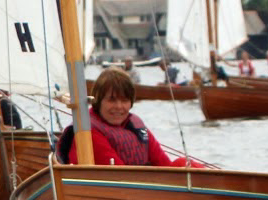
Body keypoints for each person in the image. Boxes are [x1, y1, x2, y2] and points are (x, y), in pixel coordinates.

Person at [56, 67, 210, 167]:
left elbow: (164, 165)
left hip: (137, 192)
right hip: (113, 193)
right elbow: (119, 177)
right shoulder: (89, 131)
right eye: (112, 100)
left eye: (124, 100)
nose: (119, 106)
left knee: (185, 164)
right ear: (98, 101)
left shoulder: (135, 126)